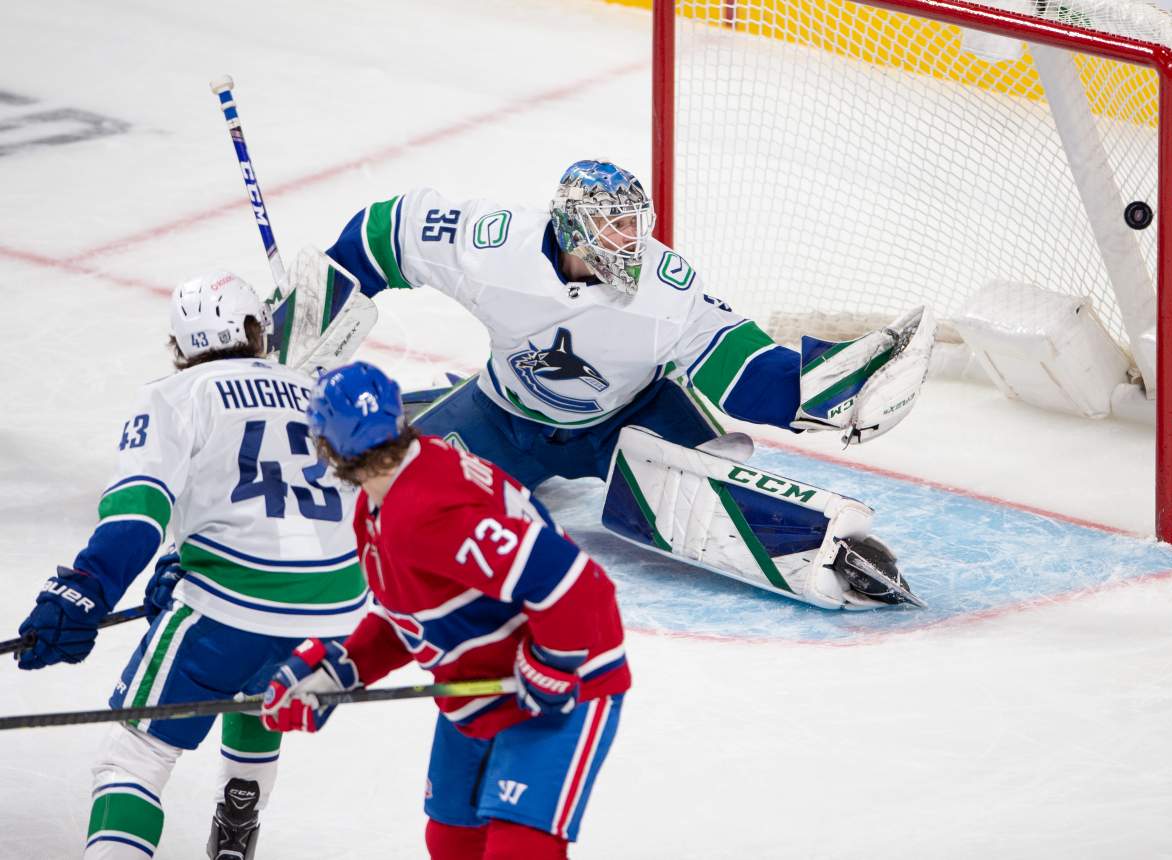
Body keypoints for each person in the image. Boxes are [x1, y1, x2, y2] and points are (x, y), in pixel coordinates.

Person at [286, 159, 932, 609]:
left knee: (712, 474)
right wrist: (317, 304)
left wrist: (817, 393)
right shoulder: (493, 248)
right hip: (504, 413)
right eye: (613, 225)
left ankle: (831, 554)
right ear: (570, 225)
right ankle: (436, 412)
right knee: (387, 499)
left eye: (635, 223)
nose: (631, 240)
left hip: (631, 417)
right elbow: (383, 231)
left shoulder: (665, 286)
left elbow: (742, 367)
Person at [14, 272, 367, 859]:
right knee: (258, 694)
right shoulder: (314, 391)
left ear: (180, 348)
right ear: (257, 331)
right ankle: (237, 826)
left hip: (236, 600)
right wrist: (184, 557)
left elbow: (139, 512)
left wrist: (83, 591)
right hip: (338, 610)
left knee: (134, 755)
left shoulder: (175, 396)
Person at [260, 361, 630, 860]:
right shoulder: (381, 504)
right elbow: (408, 612)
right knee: (453, 840)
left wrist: (551, 667)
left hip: (569, 673)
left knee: (519, 849)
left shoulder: (424, 508)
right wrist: (341, 668)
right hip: (484, 687)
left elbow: (578, 585)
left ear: (328, 448)